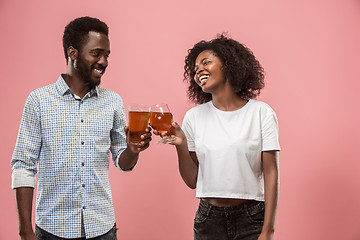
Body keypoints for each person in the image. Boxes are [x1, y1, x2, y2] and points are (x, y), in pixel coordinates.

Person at [11, 16, 152, 240]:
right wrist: (25, 231)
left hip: (102, 228)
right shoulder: (38, 100)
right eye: (96, 53)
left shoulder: (113, 101)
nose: (104, 62)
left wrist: (133, 149)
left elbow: (122, 163)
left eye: (106, 55)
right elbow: (23, 167)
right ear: (73, 53)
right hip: (52, 230)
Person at [162, 35, 280, 240]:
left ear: (229, 65)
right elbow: (192, 181)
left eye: (206, 62)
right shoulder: (194, 117)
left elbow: (271, 172)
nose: (198, 70)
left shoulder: (261, 113)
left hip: (251, 219)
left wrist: (268, 230)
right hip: (209, 220)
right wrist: (180, 145)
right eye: (195, 68)